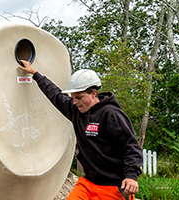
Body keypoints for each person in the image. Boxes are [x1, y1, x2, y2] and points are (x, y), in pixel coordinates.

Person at [18, 60, 141, 200]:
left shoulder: (111, 115)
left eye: (79, 98)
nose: (75, 102)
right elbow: (55, 94)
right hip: (88, 183)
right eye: (73, 98)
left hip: (113, 186)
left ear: (93, 93)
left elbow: (131, 147)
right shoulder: (76, 111)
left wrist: (131, 176)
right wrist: (34, 73)